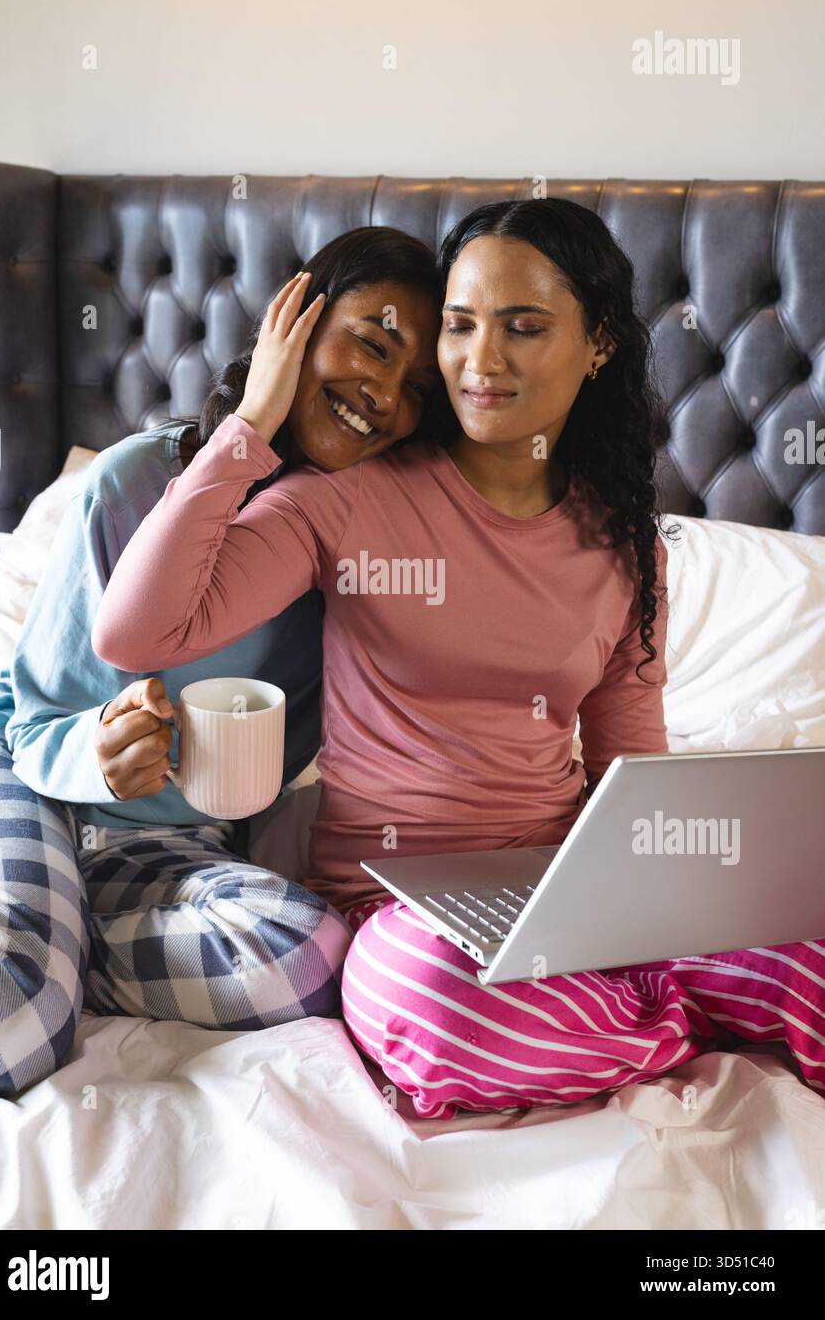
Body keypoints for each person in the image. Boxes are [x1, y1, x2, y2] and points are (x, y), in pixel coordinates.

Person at [91, 198, 825, 1119]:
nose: (481, 360)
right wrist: (251, 422)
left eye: (523, 328)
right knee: (425, 1006)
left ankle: (637, 996)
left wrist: (664, 899)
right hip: (402, 914)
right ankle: (675, 1021)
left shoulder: (624, 542)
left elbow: (629, 764)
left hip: (568, 885)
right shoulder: (346, 498)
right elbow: (136, 633)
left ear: (597, 343)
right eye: (460, 326)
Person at [0, 226, 443, 1097]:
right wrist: (98, 748)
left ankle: (50, 948)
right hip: (26, 775)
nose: (381, 392)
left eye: (416, 389)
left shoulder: (365, 550)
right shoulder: (134, 483)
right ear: (296, 317)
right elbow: (31, 719)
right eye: (372, 342)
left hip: (163, 845)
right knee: (5, 1033)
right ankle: (36, 961)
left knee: (308, 958)